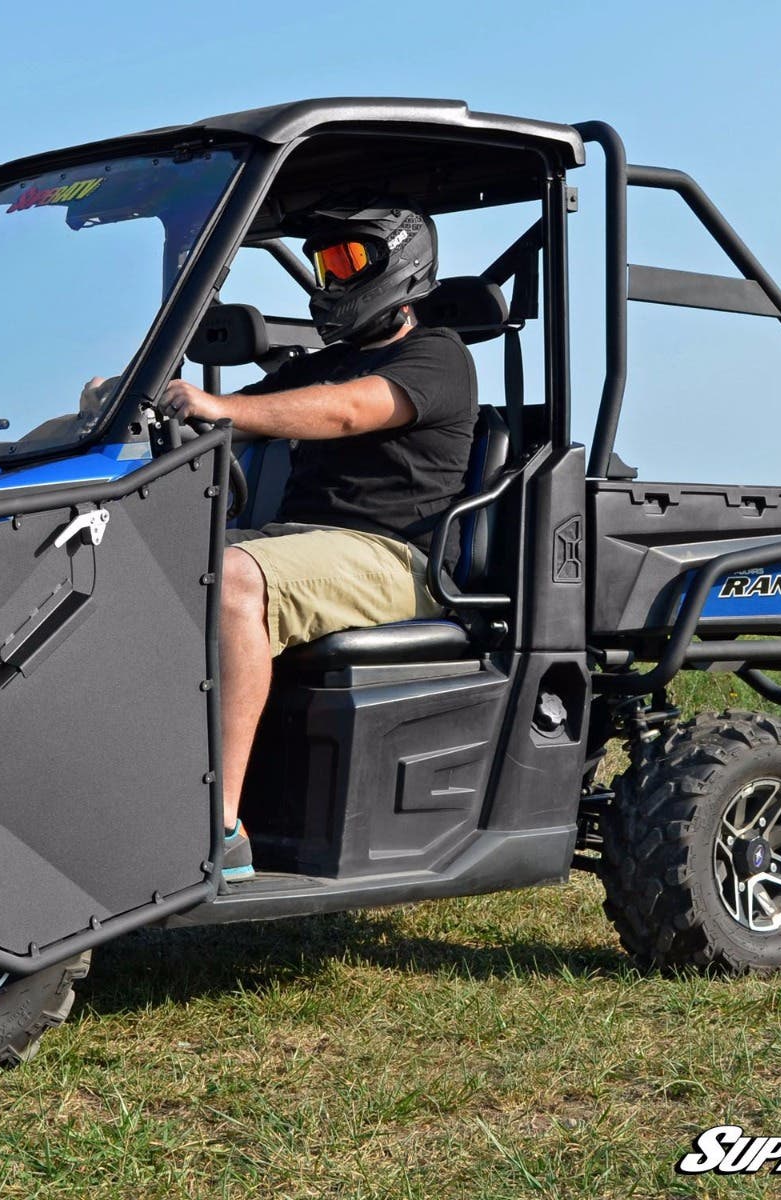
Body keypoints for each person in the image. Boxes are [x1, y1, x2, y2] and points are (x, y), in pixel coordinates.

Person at [157, 197, 479, 880]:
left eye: (349, 260)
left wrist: (224, 406)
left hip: (394, 558)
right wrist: (137, 406)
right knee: (136, 562)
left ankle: (217, 829)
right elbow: (234, 419)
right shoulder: (318, 364)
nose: (331, 280)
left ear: (404, 268)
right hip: (300, 541)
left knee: (234, 577)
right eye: (322, 262)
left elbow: (347, 410)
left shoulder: (436, 356)